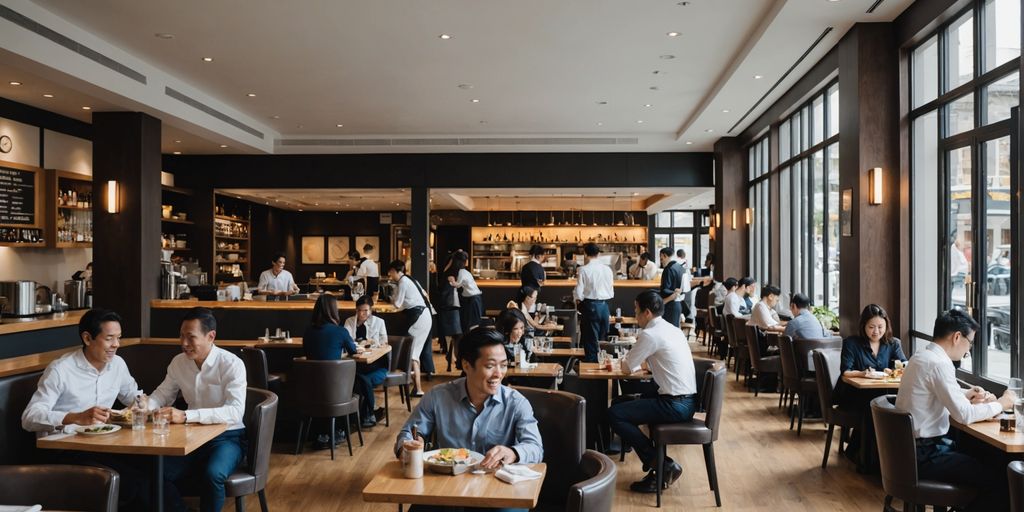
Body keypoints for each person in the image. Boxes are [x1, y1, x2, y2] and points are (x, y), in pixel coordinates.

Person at [395, 327, 543, 512]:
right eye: (490, 366)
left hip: (498, 493)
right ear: (466, 365)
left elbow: (535, 447)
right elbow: (408, 433)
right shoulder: (437, 397)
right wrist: (408, 445)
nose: (498, 373)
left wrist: (513, 452)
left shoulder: (516, 403)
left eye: (503, 365)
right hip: (446, 488)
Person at [22, 309, 150, 510]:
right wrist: (75, 417)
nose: (116, 344)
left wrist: (142, 404)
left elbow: (133, 396)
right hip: (64, 449)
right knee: (133, 481)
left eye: (118, 338)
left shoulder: (117, 365)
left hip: (105, 444)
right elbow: (29, 417)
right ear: (88, 338)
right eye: (109, 338)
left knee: (154, 468)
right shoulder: (61, 369)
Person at [895, 309, 1015, 511]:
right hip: (926, 455)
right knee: (1000, 480)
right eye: (970, 344)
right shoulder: (940, 364)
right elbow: (964, 415)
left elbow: (933, 391)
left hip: (909, 452)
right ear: (957, 337)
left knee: (987, 458)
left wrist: (966, 394)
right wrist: (1002, 403)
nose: (968, 351)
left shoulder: (921, 356)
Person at [150, 307, 246, 512]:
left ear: (211, 336)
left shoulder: (231, 364)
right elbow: (162, 394)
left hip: (227, 437)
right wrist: (143, 407)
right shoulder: (178, 362)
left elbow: (235, 412)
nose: (184, 343)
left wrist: (186, 415)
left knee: (213, 474)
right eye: (181, 336)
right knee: (156, 473)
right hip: (191, 437)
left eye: (191, 337)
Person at [608, 291, 696, 493]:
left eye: (636, 310)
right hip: (685, 400)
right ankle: (659, 467)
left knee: (614, 413)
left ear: (647, 312)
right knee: (619, 402)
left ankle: (661, 465)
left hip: (674, 404)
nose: (635, 314)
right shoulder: (672, 329)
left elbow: (627, 368)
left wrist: (623, 362)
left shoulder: (650, 334)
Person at [306, 294, 387, 429]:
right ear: (332, 311)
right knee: (362, 380)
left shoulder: (308, 331)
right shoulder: (340, 331)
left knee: (361, 378)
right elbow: (353, 350)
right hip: (336, 388)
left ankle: (366, 414)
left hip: (311, 387)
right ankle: (365, 416)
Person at [387, 260, 434, 397]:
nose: (390, 275)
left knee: (412, 353)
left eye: (390, 272)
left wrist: (390, 297)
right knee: (414, 353)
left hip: (418, 318)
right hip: (424, 315)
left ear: (395, 271)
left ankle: (418, 388)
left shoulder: (402, 282)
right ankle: (415, 387)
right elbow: (424, 295)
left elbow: (397, 304)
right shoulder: (411, 279)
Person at [573, 243, 614, 362]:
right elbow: (611, 291)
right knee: (603, 343)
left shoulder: (583, 270)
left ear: (585, 254)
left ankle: (592, 376)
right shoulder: (608, 269)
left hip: (590, 307)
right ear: (598, 254)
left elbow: (579, 293)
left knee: (590, 344)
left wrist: (577, 299)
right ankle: (603, 373)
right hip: (605, 307)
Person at [840, 304, 907, 377]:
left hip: (884, 387)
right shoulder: (851, 343)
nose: (876, 331)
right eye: (871, 327)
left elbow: (904, 366)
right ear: (863, 326)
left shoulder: (894, 343)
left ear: (886, 326)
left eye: (880, 327)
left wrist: (893, 371)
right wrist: (862, 373)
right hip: (856, 387)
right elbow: (846, 371)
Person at [435, 253, 463, 372]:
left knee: (454, 335)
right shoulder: (455, 272)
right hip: (453, 307)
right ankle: (456, 358)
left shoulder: (447, 269)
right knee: (458, 335)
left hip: (447, 306)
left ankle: (452, 356)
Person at [448, 251, 483, 332]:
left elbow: (457, 285)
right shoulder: (465, 272)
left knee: (472, 325)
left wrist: (451, 280)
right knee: (473, 324)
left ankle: (472, 343)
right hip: (475, 299)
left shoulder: (462, 272)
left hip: (473, 300)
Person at [657, 248, 684, 328]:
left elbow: (664, 290)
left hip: (669, 305)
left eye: (661, 259)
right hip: (678, 304)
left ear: (665, 256)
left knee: (668, 331)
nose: (661, 261)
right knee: (675, 332)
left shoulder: (668, 269)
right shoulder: (680, 267)